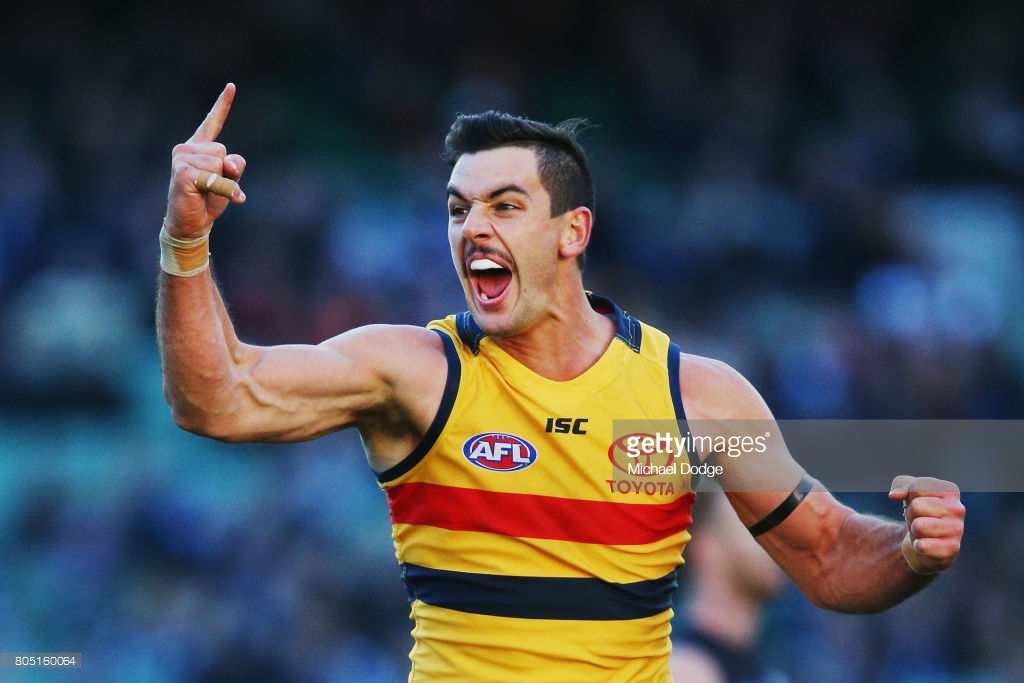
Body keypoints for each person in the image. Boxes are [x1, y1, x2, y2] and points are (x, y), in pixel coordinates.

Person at [157, 83, 965, 682]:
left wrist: (909, 551)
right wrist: (184, 240)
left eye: (505, 205)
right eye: (457, 209)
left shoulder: (697, 400)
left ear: (572, 230)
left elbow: (826, 553)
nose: (472, 226)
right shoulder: (415, 372)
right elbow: (218, 397)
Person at [670, 490, 788, 683]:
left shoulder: (762, 664)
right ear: (705, 546)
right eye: (753, 522)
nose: (778, 539)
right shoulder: (685, 671)